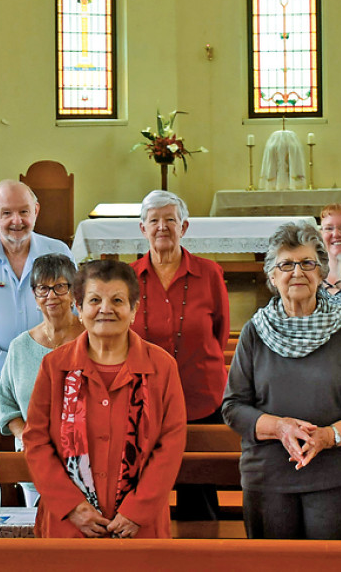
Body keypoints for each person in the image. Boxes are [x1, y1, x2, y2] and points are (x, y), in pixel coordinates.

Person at [222, 220, 341, 539]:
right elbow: (233, 407)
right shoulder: (255, 332)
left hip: (336, 478)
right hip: (267, 479)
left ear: (322, 273)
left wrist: (327, 436)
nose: (297, 272)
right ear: (271, 276)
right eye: (286, 264)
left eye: (307, 263)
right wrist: (280, 427)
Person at [23, 259, 187, 538]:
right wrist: (72, 506)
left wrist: (137, 510)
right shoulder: (55, 367)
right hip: (69, 523)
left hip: (140, 525)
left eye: (118, 300)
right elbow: (36, 441)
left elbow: (171, 443)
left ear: (134, 309)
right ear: (79, 307)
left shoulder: (161, 366)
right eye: (95, 299)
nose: (105, 309)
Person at [130, 190, 229, 520]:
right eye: (154, 220)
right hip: (142, 400)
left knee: (198, 487)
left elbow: (219, 331)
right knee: (143, 488)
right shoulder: (127, 278)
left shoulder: (210, 273)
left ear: (184, 227)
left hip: (199, 395)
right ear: (142, 228)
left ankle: (203, 560)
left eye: (170, 220)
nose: (162, 227)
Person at [0, 180, 75, 375]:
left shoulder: (58, 252)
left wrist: (56, 359)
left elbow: (74, 310)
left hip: (53, 370)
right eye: (7, 213)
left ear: (36, 211)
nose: (17, 221)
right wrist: (2, 363)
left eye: (24, 212)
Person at [0, 253, 82, 507]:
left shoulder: (93, 340)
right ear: (34, 296)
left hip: (86, 467)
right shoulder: (20, 346)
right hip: (35, 464)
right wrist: (25, 436)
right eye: (43, 288)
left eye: (60, 287)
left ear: (74, 292)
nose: (51, 296)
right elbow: (6, 404)